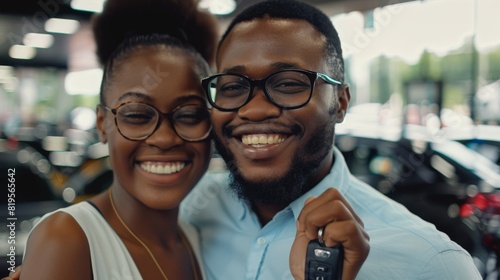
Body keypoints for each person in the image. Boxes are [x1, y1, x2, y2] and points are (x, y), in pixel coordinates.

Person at [179, 0, 482, 279]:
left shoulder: (432, 264)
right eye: (232, 87)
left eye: (287, 83)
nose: (254, 109)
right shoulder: (187, 211)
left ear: (340, 102)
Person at [14, 0, 218, 279]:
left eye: (190, 115)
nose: (165, 138)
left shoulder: (201, 238)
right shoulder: (67, 240)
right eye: (136, 115)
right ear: (102, 125)